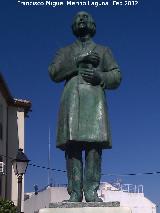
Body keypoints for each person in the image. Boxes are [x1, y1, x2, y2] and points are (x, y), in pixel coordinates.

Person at [49, 11, 122, 202]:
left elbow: (116, 76)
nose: (82, 19)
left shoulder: (104, 51)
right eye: (77, 17)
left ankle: (91, 191)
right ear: (73, 27)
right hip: (71, 101)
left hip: (94, 101)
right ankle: (74, 192)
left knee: (93, 148)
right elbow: (54, 73)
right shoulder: (64, 52)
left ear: (93, 25)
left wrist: (101, 77)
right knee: (72, 148)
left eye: (86, 17)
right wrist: (78, 60)